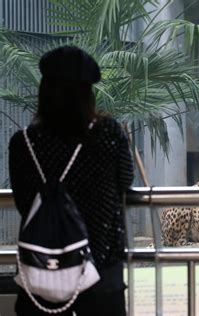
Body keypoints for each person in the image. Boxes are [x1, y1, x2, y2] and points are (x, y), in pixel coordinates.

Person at [8, 46, 134, 315]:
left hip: (40, 271)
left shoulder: (24, 142)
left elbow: (23, 202)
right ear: (88, 94)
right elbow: (125, 180)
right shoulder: (108, 134)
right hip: (100, 270)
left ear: (44, 93)